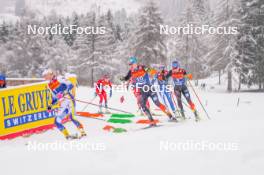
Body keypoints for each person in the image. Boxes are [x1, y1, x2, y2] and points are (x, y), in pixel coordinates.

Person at [120, 57, 177, 126]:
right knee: (143, 105)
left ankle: (171, 117)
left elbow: (151, 71)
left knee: (157, 103)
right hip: (142, 91)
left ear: (136, 63)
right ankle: (152, 121)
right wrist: (123, 78)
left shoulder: (142, 67)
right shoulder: (131, 71)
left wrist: (158, 75)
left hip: (150, 89)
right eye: (130, 64)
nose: (131, 65)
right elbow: (126, 78)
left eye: (132, 64)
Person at [42, 69, 86, 139]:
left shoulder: (60, 78)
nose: (45, 77)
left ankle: (83, 133)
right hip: (62, 103)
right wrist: (50, 105)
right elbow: (54, 98)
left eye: (45, 75)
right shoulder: (49, 85)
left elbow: (70, 85)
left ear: (51, 74)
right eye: (44, 76)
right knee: (57, 121)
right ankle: (67, 136)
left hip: (69, 99)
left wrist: (64, 92)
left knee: (72, 117)